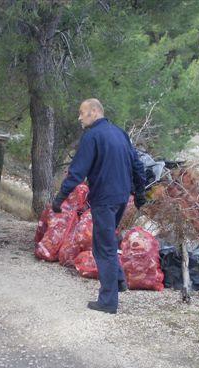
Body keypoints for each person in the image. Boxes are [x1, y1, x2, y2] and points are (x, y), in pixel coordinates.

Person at [52, 98, 146, 314]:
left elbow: (77, 170)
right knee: (109, 241)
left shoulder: (92, 135)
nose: (79, 117)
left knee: (103, 248)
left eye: (82, 112)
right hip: (122, 197)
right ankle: (119, 281)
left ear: (94, 112)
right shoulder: (120, 133)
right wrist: (140, 193)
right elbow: (137, 165)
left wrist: (60, 197)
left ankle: (108, 301)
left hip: (104, 199)